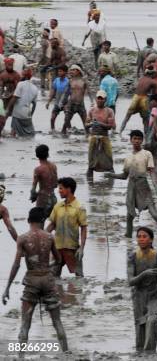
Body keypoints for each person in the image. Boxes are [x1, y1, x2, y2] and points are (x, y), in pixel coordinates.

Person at [2, 207, 68, 352]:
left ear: (28, 221)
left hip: (31, 281)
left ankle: (20, 355)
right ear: (43, 221)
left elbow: (16, 265)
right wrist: (47, 268)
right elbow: (58, 259)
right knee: (57, 323)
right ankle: (66, 353)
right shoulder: (49, 237)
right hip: (47, 280)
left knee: (25, 324)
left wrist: (7, 288)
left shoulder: (23, 239)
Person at [106, 130, 157, 236]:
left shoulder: (147, 154)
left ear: (142, 140)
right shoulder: (128, 158)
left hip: (143, 186)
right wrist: (111, 175)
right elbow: (124, 176)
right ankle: (128, 236)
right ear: (131, 140)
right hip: (131, 186)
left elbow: (152, 173)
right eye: (134, 138)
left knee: (154, 214)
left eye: (139, 139)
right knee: (130, 215)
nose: (137, 141)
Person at [128, 226, 157, 352]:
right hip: (139, 297)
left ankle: (150, 354)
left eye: (144, 236)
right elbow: (131, 281)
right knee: (141, 327)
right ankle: (142, 352)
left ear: (151, 240)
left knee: (151, 321)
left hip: (154, 295)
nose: (141, 239)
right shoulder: (132, 257)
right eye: (139, 236)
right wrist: (145, 274)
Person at [46, 177, 87, 277]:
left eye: (61, 188)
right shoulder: (57, 206)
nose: (59, 191)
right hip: (57, 248)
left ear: (69, 189)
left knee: (79, 277)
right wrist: (42, 237)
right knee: (52, 276)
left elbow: (83, 228)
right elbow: (52, 225)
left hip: (72, 249)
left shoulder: (79, 207)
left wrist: (81, 248)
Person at [86, 90, 116, 178]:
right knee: (91, 161)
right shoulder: (92, 111)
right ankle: (90, 183)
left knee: (109, 158)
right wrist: (91, 124)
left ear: (105, 100)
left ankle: (111, 179)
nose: (100, 100)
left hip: (104, 137)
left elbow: (110, 126)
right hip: (93, 137)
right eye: (98, 99)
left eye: (102, 99)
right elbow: (86, 125)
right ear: (96, 99)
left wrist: (100, 124)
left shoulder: (109, 111)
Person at [119, 69, 156, 134]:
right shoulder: (152, 81)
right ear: (152, 74)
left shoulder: (141, 78)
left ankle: (120, 132)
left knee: (127, 117)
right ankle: (146, 136)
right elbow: (153, 94)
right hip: (143, 99)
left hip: (136, 97)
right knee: (145, 120)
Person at [62, 64, 93, 135]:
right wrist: (63, 103)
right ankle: (63, 134)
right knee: (66, 120)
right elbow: (66, 93)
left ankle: (88, 135)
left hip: (80, 104)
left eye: (73, 70)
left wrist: (92, 102)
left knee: (86, 123)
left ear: (78, 71)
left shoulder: (84, 81)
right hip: (71, 104)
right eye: (71, 70)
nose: (71, 71)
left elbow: (89, 92)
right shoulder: (70, 81)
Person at [6, 68, 38, 137]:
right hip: (27, 114)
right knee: (29, 135)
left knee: (13, 134)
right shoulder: (35, 88)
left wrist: (8, 108)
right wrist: (31, 115)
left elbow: (15, 97)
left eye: (22, 75)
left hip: (18, 113)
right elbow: (34, 105)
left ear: (25, 76)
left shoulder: (20, 84)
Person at [31, 145, 58, 221]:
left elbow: (33, 189)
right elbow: (56, 184)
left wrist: (33, 196)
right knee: (54, 223)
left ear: (37, 155)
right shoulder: (54, 166)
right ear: (47, 154)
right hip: (53, 198)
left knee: (39, 222)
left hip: (43, 198)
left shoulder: (38, 169)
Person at [45, 64, 70, 132]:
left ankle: (67, 130)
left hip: (65, 103)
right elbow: (52, 92)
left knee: (67, 118)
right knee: (52, 118)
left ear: (65, 72)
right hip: (57, 103)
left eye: (61, 71)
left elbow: (71, 94)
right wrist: (48, 102)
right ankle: (52, 130)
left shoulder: (68, 82)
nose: (59, 73)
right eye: (58, 71)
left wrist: (69, 104)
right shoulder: (56, 80)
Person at [144, 94, 157, 172]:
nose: (150, 103)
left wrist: (154, 136)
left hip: (153, 135)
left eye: (151, 101)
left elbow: (155, 124)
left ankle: (150, 174)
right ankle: (156, 175)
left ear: (156, 101)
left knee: (149, 156)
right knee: (154, 157)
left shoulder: (154, 109)